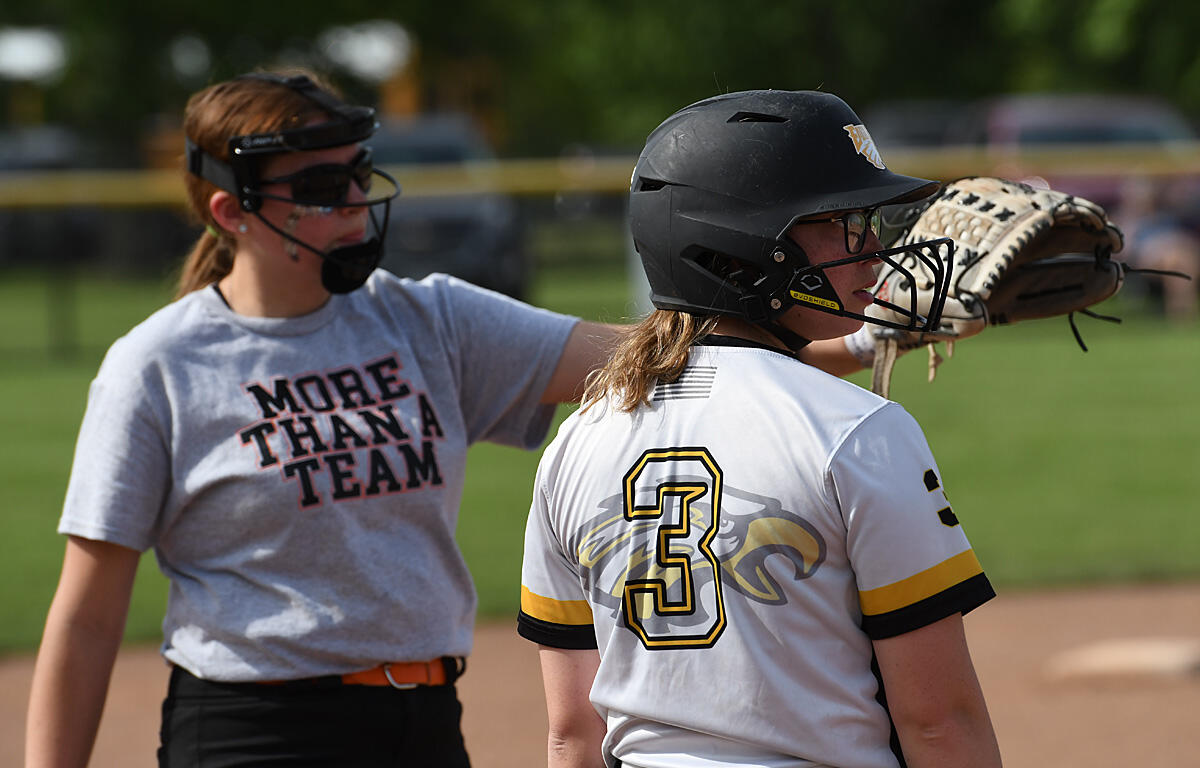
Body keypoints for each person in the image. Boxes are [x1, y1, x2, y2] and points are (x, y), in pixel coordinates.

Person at [518, 90, 1003, 768]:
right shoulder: (857, 432)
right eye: (843, 222)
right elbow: (939, 722)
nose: (873, 250)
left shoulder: (576, 442)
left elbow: (573, 733)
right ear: (742, 248)